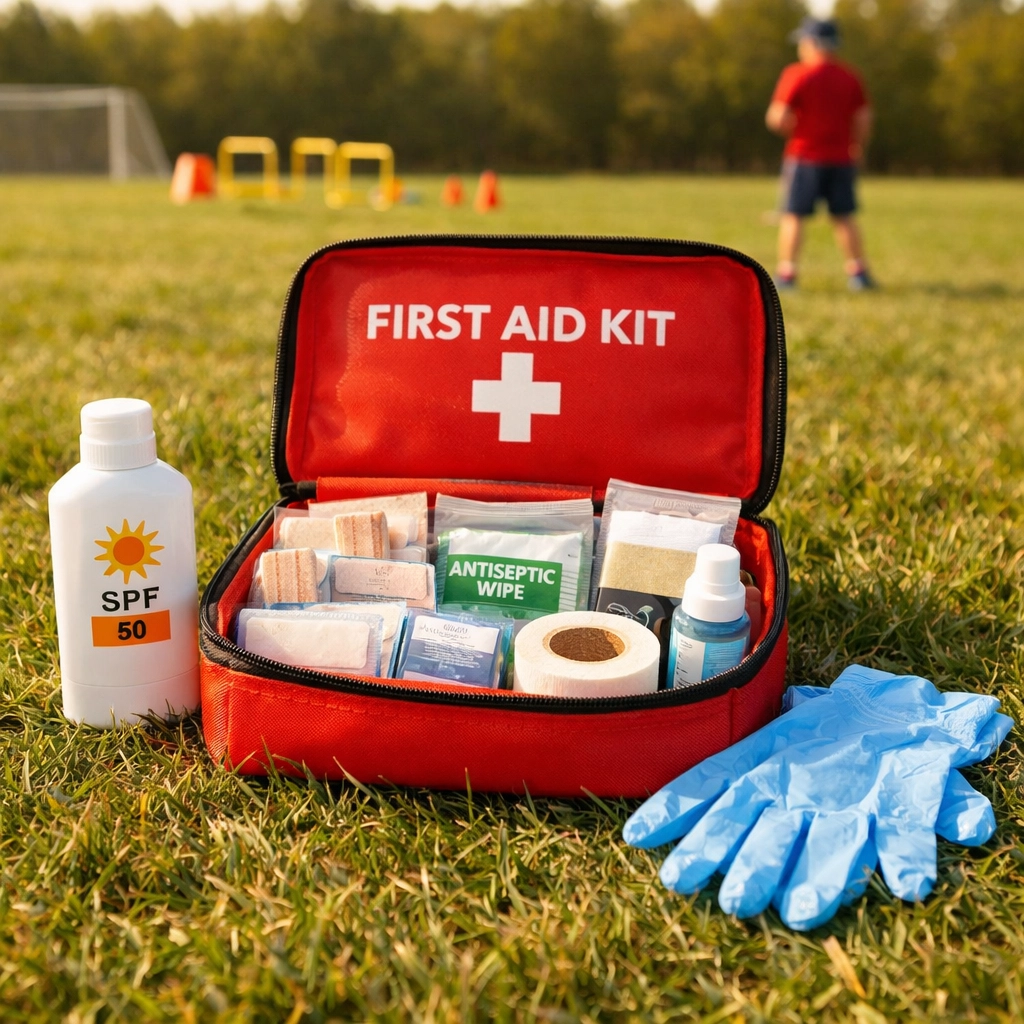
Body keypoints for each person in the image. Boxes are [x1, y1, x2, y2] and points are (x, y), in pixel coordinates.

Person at [766, 18, 876, 291]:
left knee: (793, 216)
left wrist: (790, 126)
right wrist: (857, 146)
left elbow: (777, 117)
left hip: (804, 157)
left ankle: (787, 275)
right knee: (844, 216)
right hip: (841, 158)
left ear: (812, 43)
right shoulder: (850, 76)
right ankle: (859, 274)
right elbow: (864, 118)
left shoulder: (797, 74)